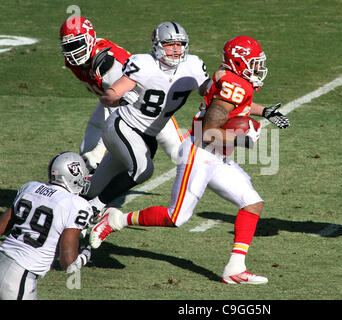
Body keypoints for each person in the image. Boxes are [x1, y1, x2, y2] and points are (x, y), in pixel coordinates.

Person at [89, 35, 290, 284]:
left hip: (216, 155)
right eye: (253, 62)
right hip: (200, 153)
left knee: (252, 203)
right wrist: (242, 138)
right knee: (177, 218)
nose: (258, 68)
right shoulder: (235, 85)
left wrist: (265, 111)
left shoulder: (234, 82)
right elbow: (207, 131)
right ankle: (116, 218)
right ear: (239, 62)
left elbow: (236, 106)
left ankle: (234, 268)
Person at [83, 21, 211, 212]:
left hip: (148, 136)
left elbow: (211, 92)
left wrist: (224, 82)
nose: (175, 50)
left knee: (91, 188)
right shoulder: (143, 64)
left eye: (179, 44)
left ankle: (73, 204)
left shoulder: (193, 66)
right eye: (169, 44)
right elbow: (109, 97)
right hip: (122, 126)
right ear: (157, 45)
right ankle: (94, 209)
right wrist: (119, 98)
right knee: (143, 170)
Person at [60, 16, 185, 173]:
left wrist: (100, 150)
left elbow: (120, 108)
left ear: (89, 38)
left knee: (178, 153)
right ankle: (86, 187)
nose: (73, 51)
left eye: (77, 44)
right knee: (88, 150)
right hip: (114, 101)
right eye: (68, 46)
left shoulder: (106, 63)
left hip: (147, 103)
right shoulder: (76, 61)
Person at [0, 152, 94, 299]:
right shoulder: (77, 205)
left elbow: (1, 226)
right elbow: (68, 264)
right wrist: (84, 256)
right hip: (19, 276)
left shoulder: (30, 188)